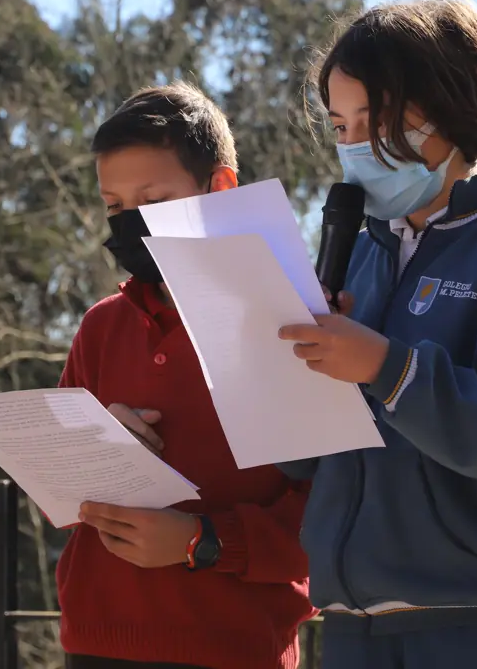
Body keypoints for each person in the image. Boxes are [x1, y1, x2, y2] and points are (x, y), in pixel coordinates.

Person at [277, 0, 477, 669]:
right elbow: (309, 463)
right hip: (353, 626)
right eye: (340, 125)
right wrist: (285, 382)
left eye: (374, 121)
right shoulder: (356, 254)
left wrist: (388, 368)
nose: (352, 146)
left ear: (450, 108)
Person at [55, 81, 315, 669]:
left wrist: (204, 542)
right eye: (115, 207)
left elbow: (329, 519)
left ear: (219, 189)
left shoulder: (294, 325)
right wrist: (94, 443)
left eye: (151, 201)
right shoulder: (100, 328)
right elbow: (58, 498)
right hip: (95, 642)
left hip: (236, 648)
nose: (129, 225)